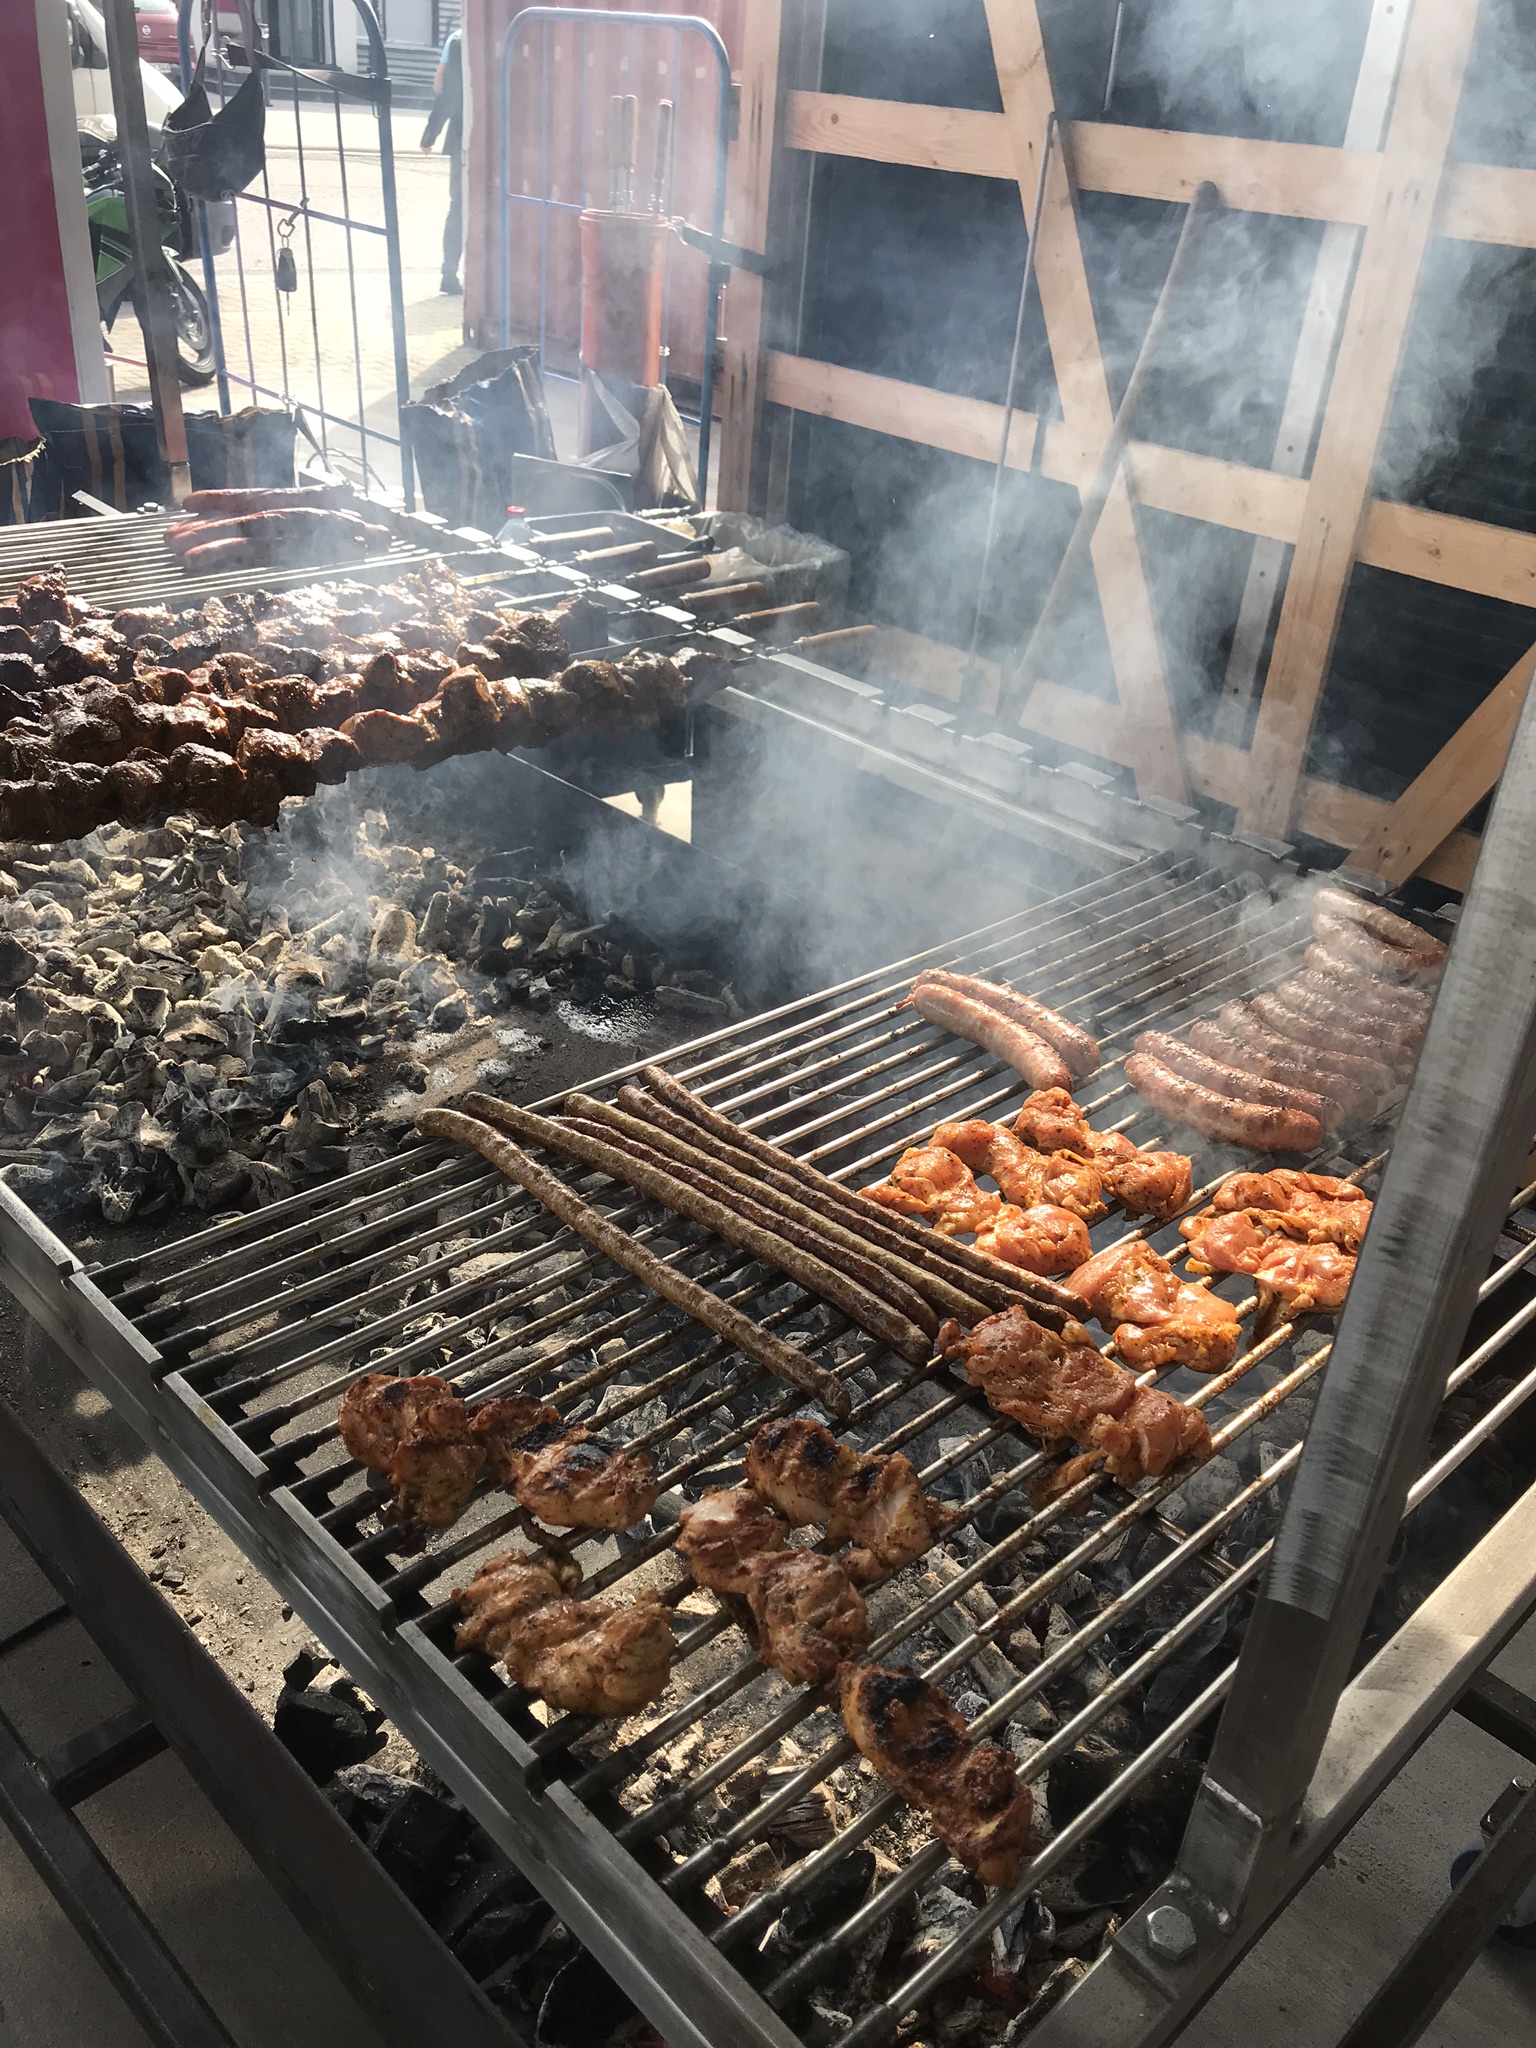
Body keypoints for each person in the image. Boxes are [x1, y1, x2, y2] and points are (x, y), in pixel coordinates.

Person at [421, 29, 464, 295]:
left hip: (463, 140)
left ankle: (449, 273)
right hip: (501, 140)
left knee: (458, 208)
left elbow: (447, 93)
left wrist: (430, 134)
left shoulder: (458, 41)